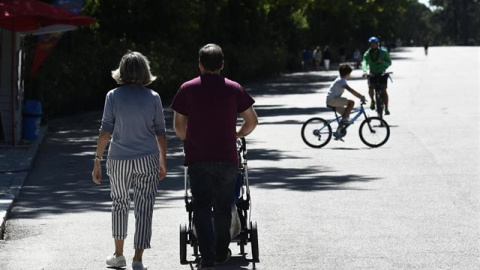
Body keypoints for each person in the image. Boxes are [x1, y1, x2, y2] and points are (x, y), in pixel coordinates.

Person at [171, 44, 258, 270]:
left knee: (200, 206)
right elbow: (252, 121)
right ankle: (221, 252)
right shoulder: (234, 88)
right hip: (227, 157)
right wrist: (237, 134)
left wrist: (187, 140)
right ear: (222, 64)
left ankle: (207, 256)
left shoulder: (187, 88)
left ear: (199, 64)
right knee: (223, 207)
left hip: (198, 158)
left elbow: (179, 125)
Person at [92, 51, 167, 270]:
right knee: (144, 208)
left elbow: (105, 131)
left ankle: (118, 255)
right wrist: (163, 161)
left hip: (118, 159)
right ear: (145, 72)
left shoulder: (113, 96)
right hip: (147, 158)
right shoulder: (153, 97)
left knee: (120, 204)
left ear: (121, 71)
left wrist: (98, 159)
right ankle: (138, 259)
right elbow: (161, 133)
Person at [326, 63, 365, 139]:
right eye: (349, 74)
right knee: (351, 103)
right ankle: (343, 121)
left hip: (332, 100)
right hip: (332, 100)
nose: (350, 76)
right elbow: (351, 90)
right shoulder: (341, 81)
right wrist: (360, 96)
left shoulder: (340, 79)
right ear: (347, 74)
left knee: (346, 114)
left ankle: (338, 133)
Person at [362, 36, 392, 114]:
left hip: (381, 73)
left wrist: (382, 61)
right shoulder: (367, 53)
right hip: (373, 73)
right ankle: (372, 100)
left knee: (383, 90)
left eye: (374, 44)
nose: (372, 45)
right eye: (371, 44)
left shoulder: (383, 52)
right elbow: (364, 62)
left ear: (377, 44)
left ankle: (386, 108)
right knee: (370, 87)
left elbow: (389, 62)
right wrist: (364, 71)